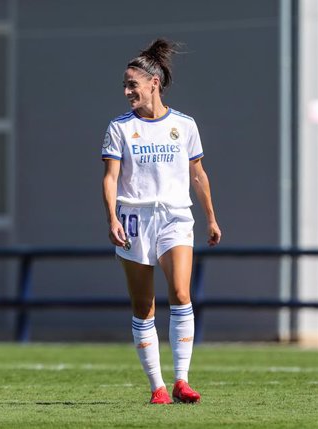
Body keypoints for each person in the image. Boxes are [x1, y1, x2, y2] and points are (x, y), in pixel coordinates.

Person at [101, 39, 222, 405]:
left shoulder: (184, 125)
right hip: (135, 218)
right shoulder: (119, 128)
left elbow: (198, 174)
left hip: (175, 216)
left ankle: (182, 380)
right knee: (144, 306)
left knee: (182, 294)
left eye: (132, 84)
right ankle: (157, 386)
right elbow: (110, 178)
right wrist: (111, 219)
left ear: (154, 83)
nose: (127, 91)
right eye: (125, 85)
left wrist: (211, 219)